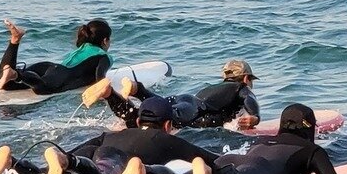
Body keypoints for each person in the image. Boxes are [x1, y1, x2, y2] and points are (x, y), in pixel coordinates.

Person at [0, 95, 219, 174]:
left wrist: (64, 159)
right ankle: (69, 163)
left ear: (137, 121)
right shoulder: (165, 139)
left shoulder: (112, 134)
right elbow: (213, 161)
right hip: (119, 163)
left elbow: (78, 150)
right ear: (167, 125)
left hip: (100, 151)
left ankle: (12, 161)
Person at [130, 103, 346, 174]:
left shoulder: (265, 139)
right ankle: (209, 171)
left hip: (234, 159)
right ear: (309, 127)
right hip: (259, 171)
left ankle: (145, 171)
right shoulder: (313, 150)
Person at [83, 58, 262, 130]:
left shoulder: (213, 89)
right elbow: (249, 98)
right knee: (152, 119)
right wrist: (255, 117)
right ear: (246, 78)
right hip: (192, 107)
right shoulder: (240, 88)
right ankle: (131, 90)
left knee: (148, 115)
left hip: (184, 100)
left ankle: (124, 92)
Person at [0, 17, 112, 95]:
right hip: (60, 75)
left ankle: (15, 40)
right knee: (44, 88)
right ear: (105, 41)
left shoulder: (83, 47)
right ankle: (16, 74)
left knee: (7, 85)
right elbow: (100, 79)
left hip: (49, 67)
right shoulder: (104, 56)